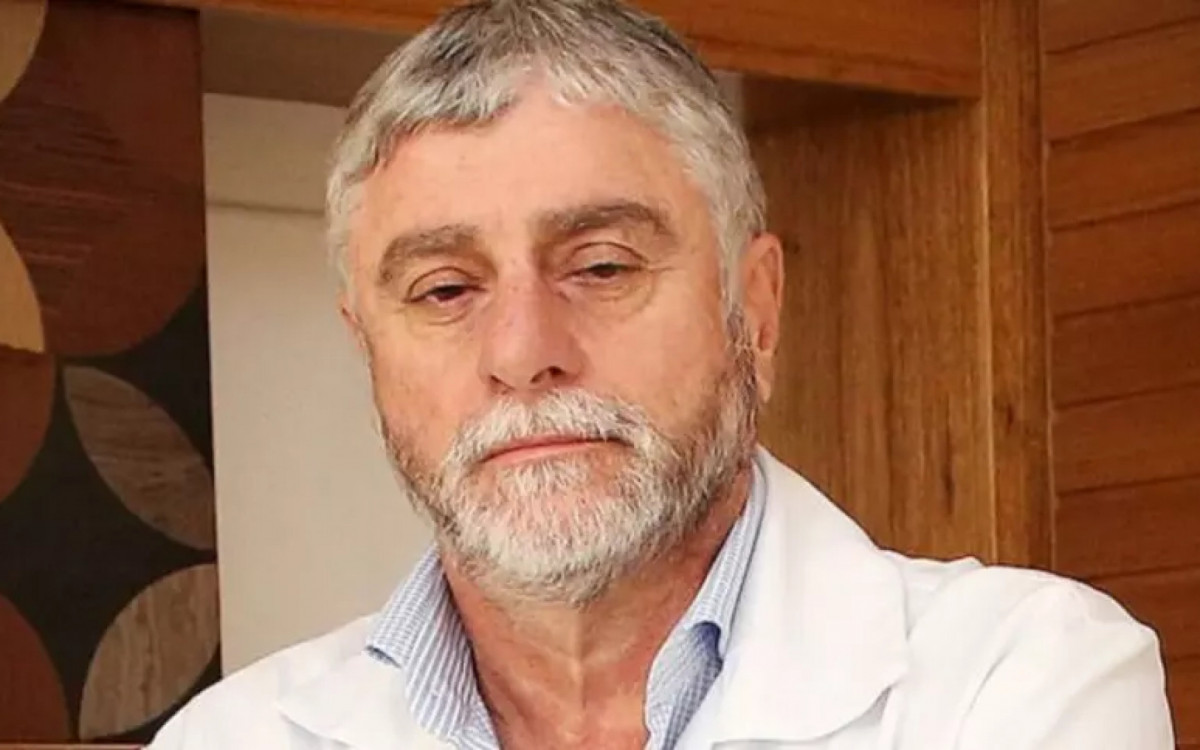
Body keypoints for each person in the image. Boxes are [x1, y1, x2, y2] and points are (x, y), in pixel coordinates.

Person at [150, 1, 1174, 747]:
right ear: (366, 343)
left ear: (754, 309)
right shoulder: (231, 738)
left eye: (601, 267)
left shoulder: (1025, 681)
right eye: (446, 289)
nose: (524, 353)